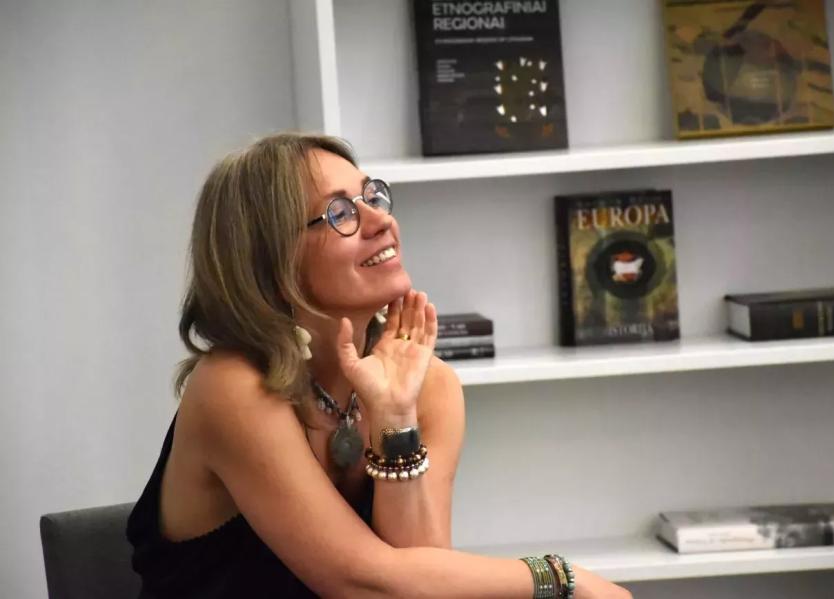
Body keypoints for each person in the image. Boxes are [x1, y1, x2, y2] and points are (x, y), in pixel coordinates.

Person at [126, 132, 632, 599]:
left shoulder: (429, 385)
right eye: (340, 212)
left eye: (373, 196)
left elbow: (423, 585)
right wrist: (560, 577)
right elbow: (364, 585)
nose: (380, 220)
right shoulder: (233, 387)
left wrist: (394, 416)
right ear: (269, 261)